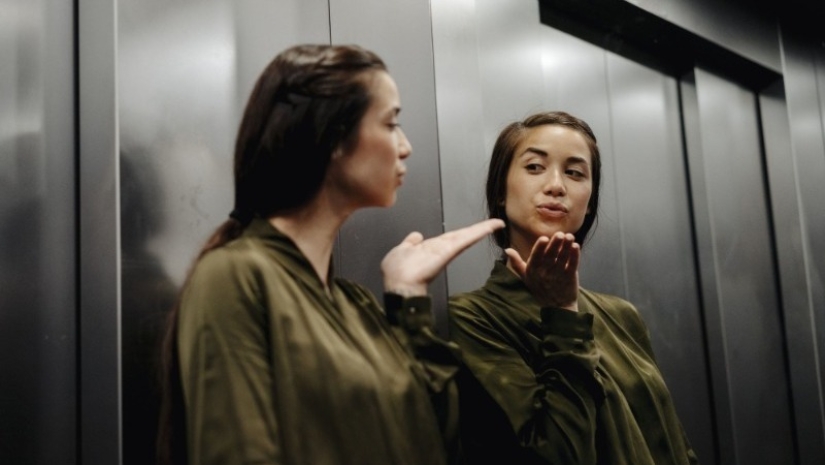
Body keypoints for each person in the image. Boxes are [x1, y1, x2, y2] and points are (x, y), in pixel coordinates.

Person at [156, 43, 503, 465]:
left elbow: (430, 438)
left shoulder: (353, 303)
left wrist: (409, 297)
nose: (406, 146)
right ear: (334, 138)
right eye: (391, 123)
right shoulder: (235, 277)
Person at [448, 111, 699, 464]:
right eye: (535, 167)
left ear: (590, 200)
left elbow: (672, 441)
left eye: (575, 172)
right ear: (501, 190)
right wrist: (563, 315)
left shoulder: (620, 315)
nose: (556, 186)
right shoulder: (472, 316)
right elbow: (556, 453)